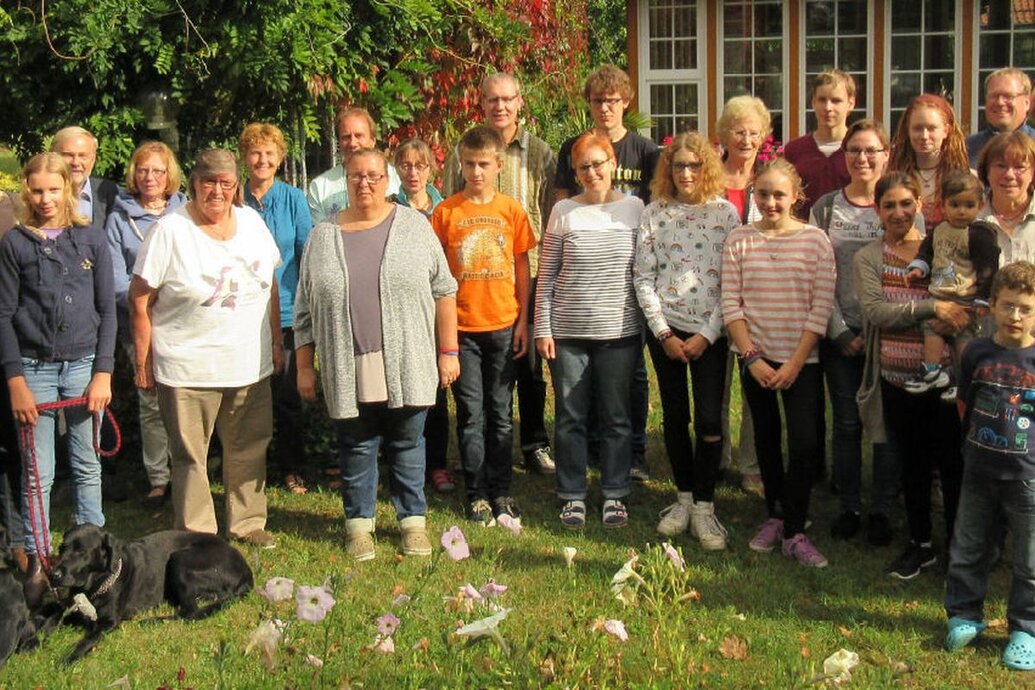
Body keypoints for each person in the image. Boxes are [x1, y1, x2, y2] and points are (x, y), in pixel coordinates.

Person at [294, 148, 458, 562]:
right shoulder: (322, 236)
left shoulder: (414, 227)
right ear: (344, 181)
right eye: (355, 176)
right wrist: (303, 366)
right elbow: (304, 309)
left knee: (407, 442)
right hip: (348, 363)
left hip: (409, 360)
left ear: (388, 181)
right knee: (357, 444)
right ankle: (359, 527)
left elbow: (444, 289)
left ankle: (412, 523)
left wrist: (448, 352)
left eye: (373, 176)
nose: (364, 184)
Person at [129, 148, 282, 549]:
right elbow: (140, 298)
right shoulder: (169, 231)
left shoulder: (251, 224)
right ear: (194, 183)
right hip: (187, 366)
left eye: (226, 183)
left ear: (236, 187)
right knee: (190, 456)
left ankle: (247, 522)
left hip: (249, 363)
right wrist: (143, 361)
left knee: (249, 448)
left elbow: (272, 285)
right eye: (208, 182)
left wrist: (277, 341)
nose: (217, 191)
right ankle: (196, 532)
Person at [0, 153, 116, 603]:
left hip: (85, 366)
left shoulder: (90, 240)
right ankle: (39, 563)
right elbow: (4, 314)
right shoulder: (15, 244)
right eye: (36, 190)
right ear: (25, 192)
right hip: (33, 370)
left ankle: (94, 558)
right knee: (37, 473)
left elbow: (107, 311)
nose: (45, 199)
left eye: (54, 189)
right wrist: (15, 381)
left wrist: (103, 372)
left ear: (70, 188)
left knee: (88, 464)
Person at [721, 158, 836, 568]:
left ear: (796, 197)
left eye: (779, 195)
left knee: (804, 444)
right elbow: (730, 303)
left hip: (802, 359)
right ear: (754, 194)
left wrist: (796, 363)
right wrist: (752, 357)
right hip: (756, 359)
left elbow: (820, 307)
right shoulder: (739, 240)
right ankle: (774, 513)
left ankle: (795, 528)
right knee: (766, 439)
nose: (771, 202)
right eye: (763, 194)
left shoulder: (816, 241)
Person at [443, 73, 557, 475]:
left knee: (527, 369)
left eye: (508, 99)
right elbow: (451, 205)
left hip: (527, 270)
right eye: (492, 99)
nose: (500, 107)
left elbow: (549, 208)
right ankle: (483, 448)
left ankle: (533, 442)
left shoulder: (540, 153)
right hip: (474, 279)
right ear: (482, 103)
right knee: (485, 380)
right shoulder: (467, 150)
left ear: (520, 103)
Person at [855, 171, 968, 580]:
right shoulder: (869, 258)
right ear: (877, 210)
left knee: (953, 464)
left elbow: (962, 301)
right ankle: (920, 544)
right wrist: (929, 309)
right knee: (913, 465)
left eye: (907, 203)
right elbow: (875, 312)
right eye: (889, 205)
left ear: (919, 204)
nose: (899, 212)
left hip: (946, 380)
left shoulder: (942, 246)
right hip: (897, 377)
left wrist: (948, 313)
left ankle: (959, 545)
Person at [633, 132, 739, 549]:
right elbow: (643, 275)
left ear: (707, 168)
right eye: (679, 165)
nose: (687, 173)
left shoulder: (725, 214)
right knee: (676, 417)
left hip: (710, 333)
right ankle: (682, 498)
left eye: (695, 165)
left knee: (711, 419)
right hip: (667, 330)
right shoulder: (654, 213)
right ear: (668, 169)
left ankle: (705, 506)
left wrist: (708, 334)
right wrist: (663, 333)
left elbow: (732, 280)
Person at [536, 132, 645, 529]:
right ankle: (572, 494)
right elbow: (546, 276)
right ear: (576, 171)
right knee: (570, 417)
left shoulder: (635, 209)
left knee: (616, 417)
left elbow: (644, 271)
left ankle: (615, 493)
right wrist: (543, 329)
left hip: (619, 332)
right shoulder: (564, 210)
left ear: (613, 163)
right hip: (568, 333)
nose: (592, 172)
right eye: (584, 166)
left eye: (599, 163)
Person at [554, 64, 657, 481]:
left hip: (627, 279)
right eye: (598, 101)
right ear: (590, 104)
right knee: (583, 381)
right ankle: (594, 446)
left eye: (613, 101)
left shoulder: (646, 152)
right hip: (584, 271)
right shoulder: (572, 148)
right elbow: (563, 199)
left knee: (631, 374)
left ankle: (634, 450)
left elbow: (654, 210)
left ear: (626, 102)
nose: (605, 108)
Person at [432, 126, 534, 526]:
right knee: (471, 414)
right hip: (462, 329)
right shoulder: (447, 213)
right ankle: (476, 493)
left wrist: (523, 321)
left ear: (498, 165)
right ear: (461, 164)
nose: (477, 171)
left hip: (504, 325)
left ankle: (502, 489)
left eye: (484, 164)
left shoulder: (511, 210)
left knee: (501, 411)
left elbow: (523, 267)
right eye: (470, 164)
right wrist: (445, 340)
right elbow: (436, 276)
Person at [810, 119, 898, 546]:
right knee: (846, 423)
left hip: (889, 336)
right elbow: (817, 273)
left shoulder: (898, 204)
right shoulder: (827, 208)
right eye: (854, 151)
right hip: (840, 333)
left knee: (883, 425)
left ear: (886, 154)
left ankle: (882, 507)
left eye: (871, 151)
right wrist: (839, 330)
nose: (863, 159)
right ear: (844, 156)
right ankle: (849, 505)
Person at [943, 260, 1035, 671]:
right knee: (967, 548)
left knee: (1030, 560)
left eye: (1026, 309)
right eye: (1008, 306)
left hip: (1028, 479)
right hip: (978, 472)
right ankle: (964, 614)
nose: (1016, 316)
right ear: (992, 305)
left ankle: (1026, 629)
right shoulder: (976, 353)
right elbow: (965, 402)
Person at [106, 141, 187, 507]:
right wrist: (151, 298)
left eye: (157, 170)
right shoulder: (119, 219)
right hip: (139, 324)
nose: (150, 177)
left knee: (188, 400)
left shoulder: (187, 211)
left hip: (185, 324)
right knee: (151, 401)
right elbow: (115, 278)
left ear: (169, 174)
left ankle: (189, 471)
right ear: (133, 175)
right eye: (143, 170)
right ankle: (159, 478)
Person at [239, 123, 313, 496]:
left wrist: (304, 310)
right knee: (246, 400)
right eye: (255, 153)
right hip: (241, 314)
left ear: (280, 158)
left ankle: (292, 468)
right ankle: (249, 471)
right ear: (245, 157)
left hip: (285, 313)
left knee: (287, 399)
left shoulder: (293, 199)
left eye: (269, 153)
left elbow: (306, 254)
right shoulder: (233, 198)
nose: (262, 160)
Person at [390, 139, 454, 494]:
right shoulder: (389, 208)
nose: (413, 173)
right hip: (401, 309)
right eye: (405, 165)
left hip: (436, 308)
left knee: (436, 391)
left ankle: (438, 464)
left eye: (420, 165)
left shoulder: (444, 210)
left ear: (432, 169)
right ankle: (400, 459)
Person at [716, 94, 770, 495]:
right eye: (738, 131)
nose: (746, 139)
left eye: (753, 132)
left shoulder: (771, 181)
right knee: (715, 383)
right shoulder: (708, 178)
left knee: (754, 384)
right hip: (712, 294)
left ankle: (752, 463)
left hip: (757, 296)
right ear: (724, 135)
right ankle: (718, 457)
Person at [904, 171, 1000, 394]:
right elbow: (926, 252)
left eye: (969, 205)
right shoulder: (939, 230)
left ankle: (963, 377)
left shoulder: (979, 233)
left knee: (962, 335)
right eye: (955, 204)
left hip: (966, 296)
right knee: (932, 330)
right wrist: (918, 268)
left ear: (980, 205)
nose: (961, 211)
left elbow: (988, 267)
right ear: (943, 205)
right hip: (939, 294)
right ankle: (933, 371)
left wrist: (984, 299)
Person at [887, 94, 970, 228]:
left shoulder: (965, 178)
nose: (924, 136)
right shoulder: (891, 175)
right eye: (917, 128)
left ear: (946, 131)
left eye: (931, 128)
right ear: (908, 129)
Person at [306, 107, 401, 221]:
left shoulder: (396, 178)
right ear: (339, 143)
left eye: (359, 135)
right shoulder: (320, 187)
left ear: (373, 140)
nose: (352, 143)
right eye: (346, 137)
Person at [783, 70, 856, 219]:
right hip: (803, 236)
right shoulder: (794, 150)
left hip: (850, 235)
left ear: (851, 103)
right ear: (813, 102)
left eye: (836, 101)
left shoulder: (860, 150)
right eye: (822, 100)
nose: (828, 107)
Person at [975, 131, 1035, 265]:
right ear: (987, 171)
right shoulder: (969, 219)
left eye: (1019, 167)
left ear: (1032, 174)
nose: (1009, 175)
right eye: (1001, 166)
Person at [50, 126, 118, 232]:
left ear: (93, 159)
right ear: (53, 156)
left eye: (83, 156)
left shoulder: (112, 195)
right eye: (68, 155)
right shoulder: (39, 195)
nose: (75, 163)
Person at [966, 68, 1035, 168]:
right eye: (994, 96)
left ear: (1027, 103)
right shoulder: (967, 149)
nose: (1000, 102)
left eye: (1008, 96)